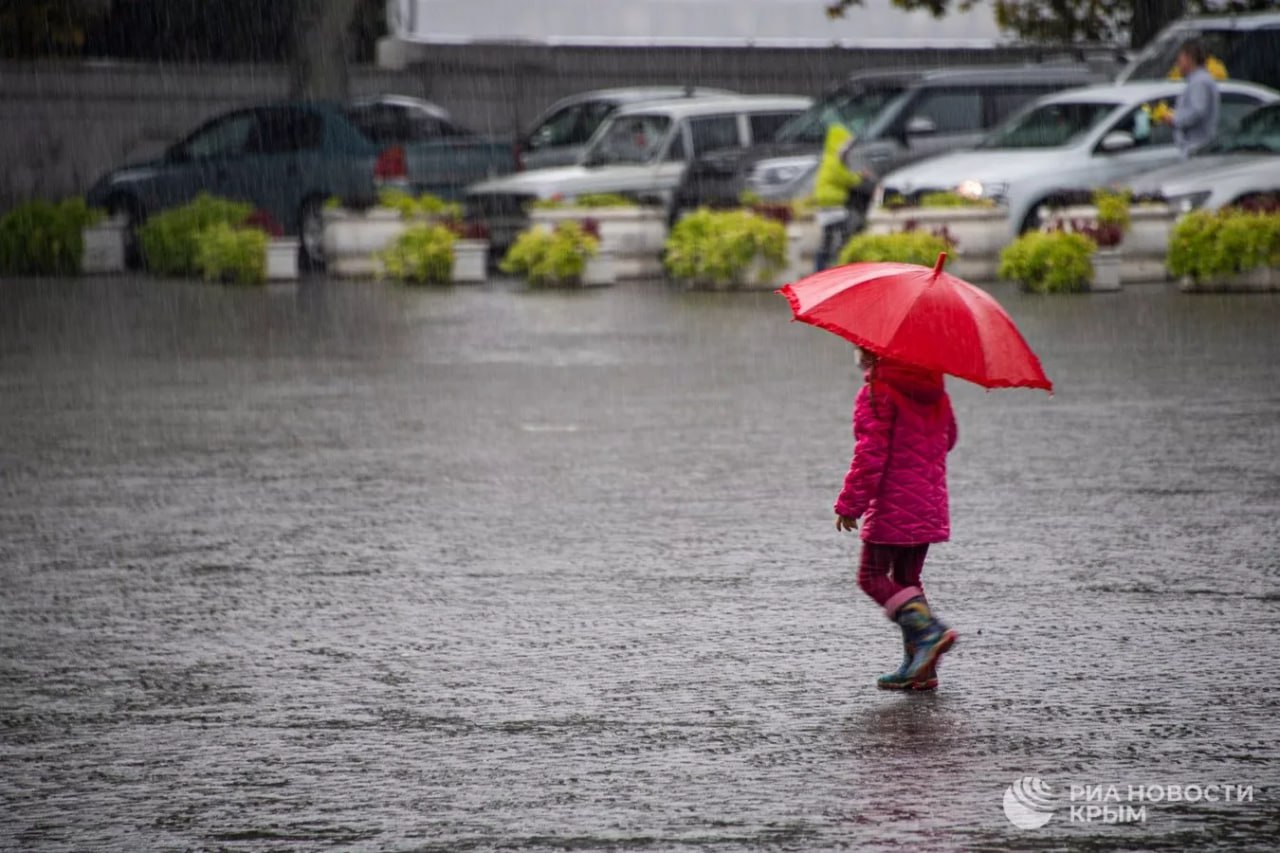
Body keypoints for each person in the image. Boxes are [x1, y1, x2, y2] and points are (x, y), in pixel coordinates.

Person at [834, 348, 958, 691]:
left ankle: (928, 630)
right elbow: (949, 439)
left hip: (892, 503)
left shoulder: (876, 392)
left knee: (871, 576)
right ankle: (922, 666)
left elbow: (870, 455)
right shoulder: (935, 391)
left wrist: (850, 503)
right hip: (929, 502)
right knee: (906, 578)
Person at [1159, 39, 1221, 158]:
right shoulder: (1197, 81)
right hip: (1195, 148)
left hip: (1196, 149)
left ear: (1189, 58)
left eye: (1180, 60)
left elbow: (1197, 111)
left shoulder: (1199, 82)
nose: (1178, 65)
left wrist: (1173, 118)